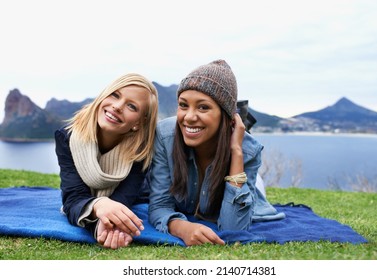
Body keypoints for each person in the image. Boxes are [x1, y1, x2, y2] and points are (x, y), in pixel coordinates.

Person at [149, 59, 285, 246]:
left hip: (245, 179)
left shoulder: (248, 150)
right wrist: (182, 227)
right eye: (183, 105)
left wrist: (236, 152)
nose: (189, 117)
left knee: (255, 193)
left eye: (203, 107)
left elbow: (234, 229)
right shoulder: (165, 136)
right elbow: (159, 205)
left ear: (226, 116)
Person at [55, 73, 158, 249]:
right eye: (115, 95)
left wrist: (107, 226)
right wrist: (100, 207)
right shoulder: (67, 137)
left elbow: (124, 198)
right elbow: (73, 198)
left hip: (144, 192)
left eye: (132, 106)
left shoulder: (140, 150)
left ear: (139, 123)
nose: (117, 106)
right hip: (97, 203)